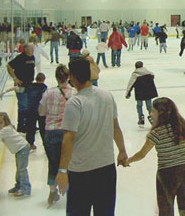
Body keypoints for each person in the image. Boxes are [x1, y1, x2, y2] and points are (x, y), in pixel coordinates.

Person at [55, 57, 129, 215]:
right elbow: (115, 126)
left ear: (72, 77)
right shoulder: (106, 95)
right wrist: (122, 151)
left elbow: (68, 139)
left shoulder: (75, 103)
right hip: (106, 168)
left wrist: (62, 170)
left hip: (81, 171)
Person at [127, 97, 185, 215]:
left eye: (153, 111)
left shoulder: (156, 133)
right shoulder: (182, 127)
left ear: (161, 113)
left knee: (166, 210)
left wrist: (128, 160)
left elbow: (142, 154)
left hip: (166, 174)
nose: (151, 114)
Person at [39, 65, 76, 206]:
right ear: (68, 77)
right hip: (68, 131)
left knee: (53, 163)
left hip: (51, 131)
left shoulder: (49, 93)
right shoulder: (74, 92)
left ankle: (53, 191)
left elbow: (41, 112)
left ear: (56, 77)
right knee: (69, 162)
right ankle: (71, 189)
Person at [0, 112, 31, 197]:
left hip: (22, 149)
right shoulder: (4, 129)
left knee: (22, 169)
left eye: (1, 122)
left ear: (6, 122)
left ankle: (25, 189)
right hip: (19, 150)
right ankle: (18, 186)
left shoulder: (6, 129)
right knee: (19, 169)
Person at [7, 43, 35, 133]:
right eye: (31, 48)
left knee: (28, 105)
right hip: (21, 85)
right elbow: (9, 66)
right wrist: (15, 78)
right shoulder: (20, 58)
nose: (33, 50)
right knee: (23, 105)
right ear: (25, 49)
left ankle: (27, 124)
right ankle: (21, 125)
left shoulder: (32, 57)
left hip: (30, 84)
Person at [126, 61, 158, 127]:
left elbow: (130, 84)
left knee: (139, 105)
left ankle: (141, 117)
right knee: (149, 105)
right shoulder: (148, 73)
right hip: (148, 92)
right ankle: (151, 116)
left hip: (139, 92)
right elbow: (152, 76)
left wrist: (128, 93)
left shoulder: (135, 74)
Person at [25, 72, 48, 151]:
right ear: (44, 79)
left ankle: (30, 144)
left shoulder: (30, 86)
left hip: (30, 110)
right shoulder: (44, 87)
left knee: (30, 128)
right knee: (43, 129)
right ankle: (46, 145)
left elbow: (20, 89)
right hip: (41, 111)